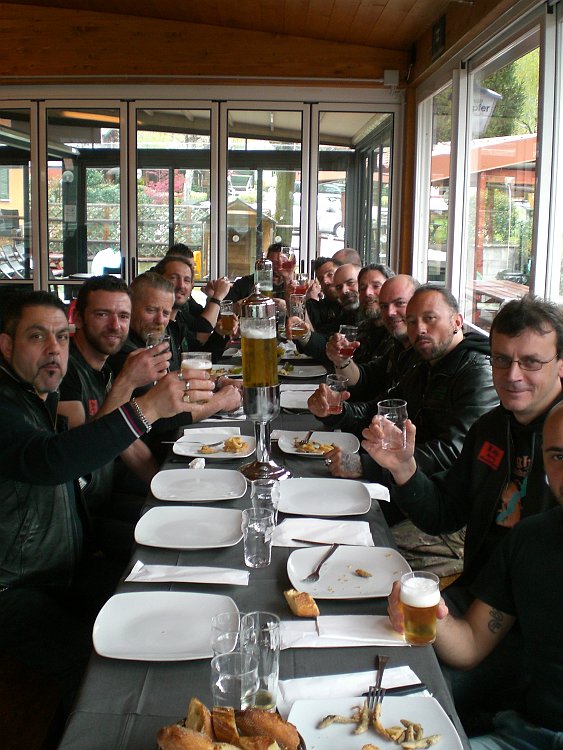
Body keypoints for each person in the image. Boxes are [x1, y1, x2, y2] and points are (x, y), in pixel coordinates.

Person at [0, 290, 213, 712]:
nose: (54, 349)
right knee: (105, 670)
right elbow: (51, 461)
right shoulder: (7, 405)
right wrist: (144, 408)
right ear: (6, 346)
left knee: (166, 596)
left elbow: (78, 465)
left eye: (61, 337)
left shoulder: (35, 394)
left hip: (64, 567)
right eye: (37, 336)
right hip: (15, 588)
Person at [387, 399, 563, 750]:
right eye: (558, 456)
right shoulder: (529, 539)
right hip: (526, 734)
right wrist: (429, 613)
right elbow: (470, 645)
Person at [363, 294, 563, 601]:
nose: (512, 376)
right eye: (501, 360)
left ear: (560, 365)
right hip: (481, 593)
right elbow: (443, 514)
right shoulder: (489, 429)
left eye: (531, 362)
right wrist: (404, 469)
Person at [58, 276, 170, 559]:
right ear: (78, 318)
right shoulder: (64, 372)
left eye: (123, 316)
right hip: (77, 518)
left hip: (106, 497)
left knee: (180, 518)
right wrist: (128, 381)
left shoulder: (105, 369)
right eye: (102, 314)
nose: (115, 325)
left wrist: (166, 486)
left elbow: (124, 440)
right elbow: (85, 456)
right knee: (165, 543)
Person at [153, 254, 232, 361]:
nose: (181, 285)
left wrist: (220, 333)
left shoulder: (179, 320)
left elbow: (199, 357)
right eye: (173, 278)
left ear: (191, 286)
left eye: (187, 280)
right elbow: (204, 328)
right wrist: (217, 297)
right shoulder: (153, 324)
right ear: (158, 281)